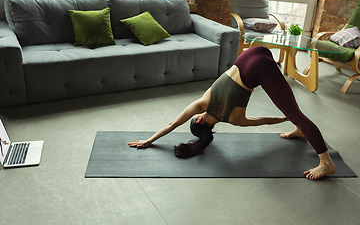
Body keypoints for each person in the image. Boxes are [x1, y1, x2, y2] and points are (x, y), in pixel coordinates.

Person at [128, 46, 336, 180]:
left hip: (258, 68)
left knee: (297, 114)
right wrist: (149, 139)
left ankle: (326, 163)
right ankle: (301, 130)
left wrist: (284, 118)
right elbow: (172, 124)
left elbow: (262, 121)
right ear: (199, 119)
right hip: (251, 54)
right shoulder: (201, 104)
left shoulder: (234, 119)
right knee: (296, 116)